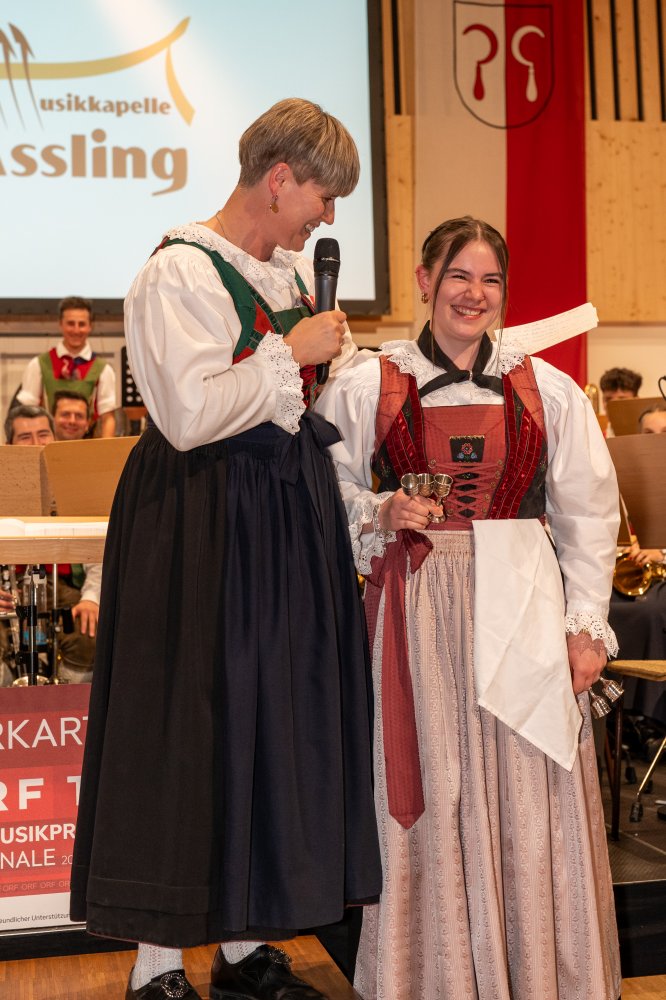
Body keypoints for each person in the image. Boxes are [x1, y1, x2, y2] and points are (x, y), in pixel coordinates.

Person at [69, 98, 381, 1000]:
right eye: (322, 196)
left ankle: (245, 949)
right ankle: (157, 967)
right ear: (278, 179)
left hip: (282, 516)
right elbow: (187, 413)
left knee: (269, 723)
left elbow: (300, 405)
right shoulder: (178, 271)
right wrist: (289, 350)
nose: (327, 216)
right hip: (200, 517)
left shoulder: (286, 275)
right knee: (189, 723)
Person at [316, 216, 622, 999]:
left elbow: (589, 514)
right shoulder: (367, 383)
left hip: (523, 603)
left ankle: (539, 978)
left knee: (528, 790)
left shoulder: (547, 389)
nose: (473, 294)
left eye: (490, 280)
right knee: (435, 785)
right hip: (417, 610)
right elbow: (322, 489)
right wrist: (379, 510)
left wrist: (586, 625)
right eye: (458, 275)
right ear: (425, 280)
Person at [1, 405, 100, 683]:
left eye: (43, 434)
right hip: (8, 585)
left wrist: (91, 599)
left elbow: (96, 550)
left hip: (63, 585)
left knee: (89, 639)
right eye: (25, 437)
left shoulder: (76, 483)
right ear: (9, 444)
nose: (36, 443)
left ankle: (67, 705)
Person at [17, 295, 117, 437]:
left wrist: (105, 450)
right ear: (60, 324)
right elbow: (27, 414)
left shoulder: (104, 370)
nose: (76, 330)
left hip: (87, 444)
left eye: (81, 324)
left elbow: (108, 419)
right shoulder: (38, 364)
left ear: (90, 326)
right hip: (48, 445)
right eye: (70, 323)